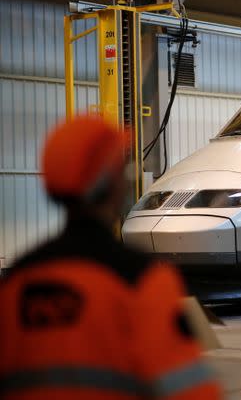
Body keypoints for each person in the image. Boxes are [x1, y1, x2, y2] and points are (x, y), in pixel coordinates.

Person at [0, 114, 222, 399]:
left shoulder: (18, 281)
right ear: (108, 183)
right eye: (122, 169)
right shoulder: (144, 280)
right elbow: (192, 391)